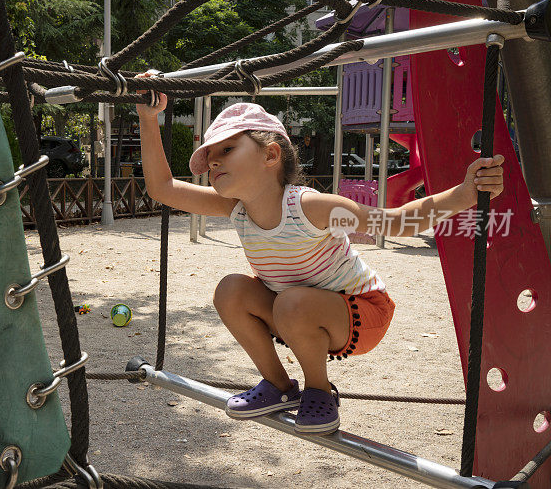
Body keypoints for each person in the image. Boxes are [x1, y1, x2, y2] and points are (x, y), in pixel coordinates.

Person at [136, 86, 505, 435]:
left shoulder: (311, 208)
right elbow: (163, 189)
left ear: (270, 155)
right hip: (293, 311)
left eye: (227, 151)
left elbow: (394, 222)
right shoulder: (237, 209)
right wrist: (148, 118)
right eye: (211, 161)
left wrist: (464, 194)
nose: (214, 164)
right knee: (231, 290)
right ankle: (279, 386)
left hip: (361, 312)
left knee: (293, 301)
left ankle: (320, 391)